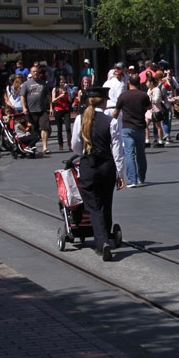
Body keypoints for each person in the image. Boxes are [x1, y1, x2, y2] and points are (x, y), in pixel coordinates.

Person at [70, 86, 126, 253]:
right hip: (107, 166)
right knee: (106, 202)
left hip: (89, 164)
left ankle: (102, 242)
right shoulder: (112, 122)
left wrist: (83, 154)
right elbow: (118, 150)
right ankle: (106, 236)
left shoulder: (80, 119)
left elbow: (75, 145)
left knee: (94, 206)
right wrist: (120, 174)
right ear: (104, 101)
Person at [114, 74, 150, 187]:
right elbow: (149, 107)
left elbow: (116, 112)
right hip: (140, 126)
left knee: (129, 154)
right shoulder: (143, 95)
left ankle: (132, 180)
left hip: (127, 127)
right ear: (139, 82)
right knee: (141, 153)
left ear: (129, 82)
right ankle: (141, 177)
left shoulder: (123, 96)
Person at [21, 65, 50, 154]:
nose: (35, 73)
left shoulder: (43, 83)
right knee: (33, 129)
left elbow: (48, 95)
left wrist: (50, 106)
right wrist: (24, 107)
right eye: (33, 71)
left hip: (42, 109)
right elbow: (22, 97)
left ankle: (45, 147)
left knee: (44, 127)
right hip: (31, 110)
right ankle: (34, 147)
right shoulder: (26, 84)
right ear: (30, 73)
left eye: (37, 71)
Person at [51, 75, 72, 151]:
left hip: (66, 109)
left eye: (64, 82)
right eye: (61, 82)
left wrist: (68, 94)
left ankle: (70, 144)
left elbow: (69, 100)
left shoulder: (66, 89)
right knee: (59, 128)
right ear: (58, 82)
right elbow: (53, 101)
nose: (63, 83)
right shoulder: (55, 89)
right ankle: (61, 144)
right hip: (58, 109)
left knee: (68, 128)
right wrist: (60, 96)